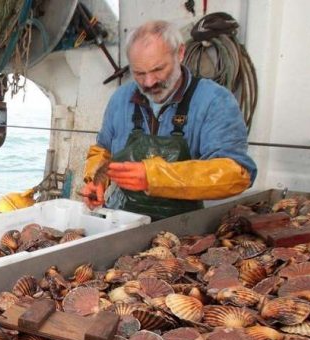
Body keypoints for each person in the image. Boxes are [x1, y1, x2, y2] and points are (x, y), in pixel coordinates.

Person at [80, 20, 256, 220]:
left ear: (180, 53)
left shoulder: (215, 100)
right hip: (121, 220)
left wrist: (154, 177)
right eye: (139, 73)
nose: (149, 82)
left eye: (158, 70)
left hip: (180, 228)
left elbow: (236, 173)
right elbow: (104, 151)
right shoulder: (121, 98)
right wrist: (97, 181)